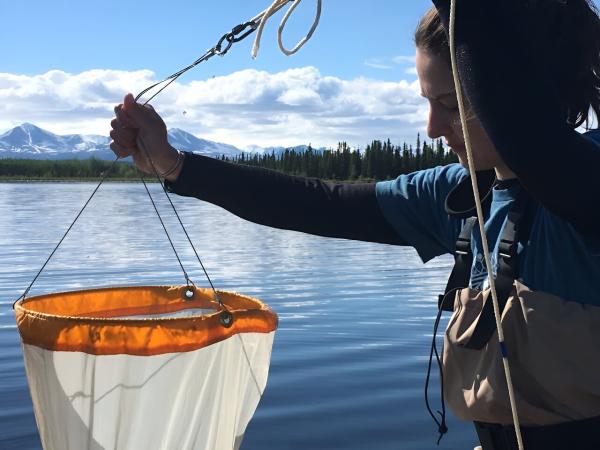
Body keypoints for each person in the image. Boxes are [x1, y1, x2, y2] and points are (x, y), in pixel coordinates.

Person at [110, 1, 600, 449]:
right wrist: (175, 165)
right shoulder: (460, 194)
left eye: (452, 105)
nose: (431, 128)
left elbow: (536, 147)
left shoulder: (588, 184)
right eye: (429, 103)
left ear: (516, 90)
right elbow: (321, 204)